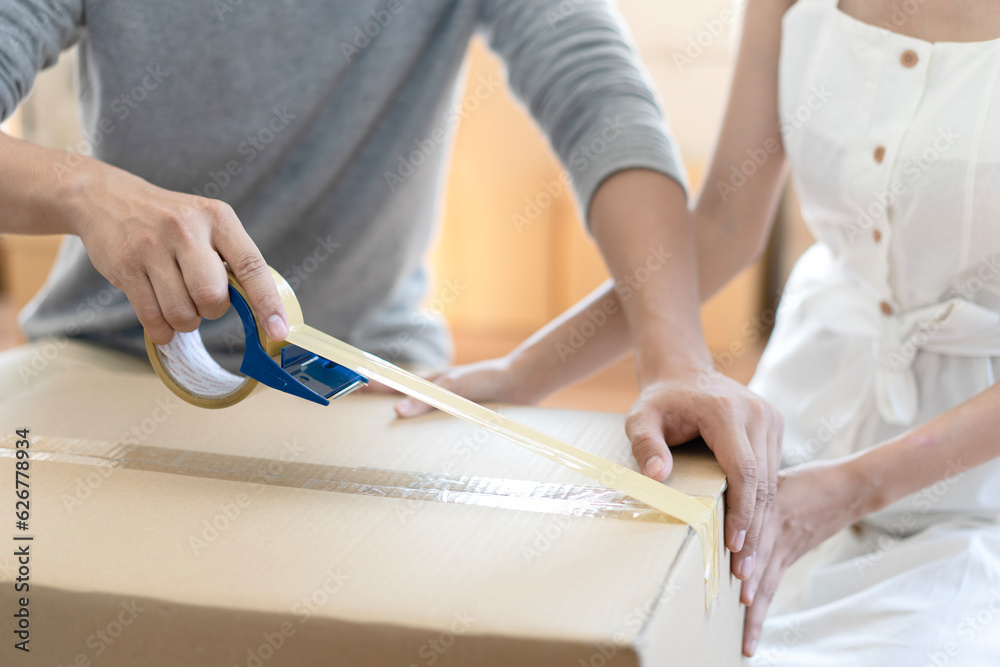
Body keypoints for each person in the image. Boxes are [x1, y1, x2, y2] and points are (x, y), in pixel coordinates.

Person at [0, 0, 780, 583]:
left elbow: (602, 99)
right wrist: (83, 190)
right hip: (102, 361)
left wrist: (675, 354)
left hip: (371, 389)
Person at [397, 0, 1000, 662]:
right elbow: (722, 228)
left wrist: (853, 487)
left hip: (974, 484)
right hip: (794, 427)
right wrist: (525, 372)